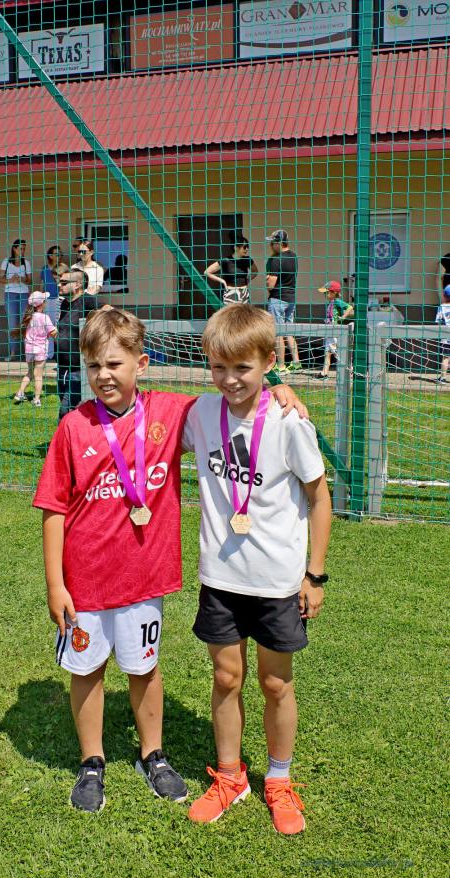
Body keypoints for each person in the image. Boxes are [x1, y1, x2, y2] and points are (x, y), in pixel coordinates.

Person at [33, 307, 309, 814]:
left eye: (114, 364)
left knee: (144, 667)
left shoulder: (171, 413)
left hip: (145, 578)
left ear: (141, 364)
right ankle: (91, 760)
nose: (103, 375)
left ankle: (153, 755)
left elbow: (237, 395)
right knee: (87, 670)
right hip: (86, 582)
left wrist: (279, 389)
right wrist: (56, 584)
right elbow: (53, 509)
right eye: (94, 365)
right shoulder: (72, 427)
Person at [182, 304, 331, 834]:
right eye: (218, 367)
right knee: (226, 677)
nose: (230, 380)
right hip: (221, 578)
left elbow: (319, 498)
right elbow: (146, 417)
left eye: (243, 368)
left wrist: (314, 574)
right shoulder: (201, 413)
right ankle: (230, 777)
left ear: (269, 361)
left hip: (277, 582)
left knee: (274, 683)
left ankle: (279, 780)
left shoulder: (289, 421)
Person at [55, 269, 100, 420]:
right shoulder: (65, 304)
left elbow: (108, 310)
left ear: (77, 284)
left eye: (63, 283)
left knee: (66, 411)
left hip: (78, 370)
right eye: (59, 282)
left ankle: (63, 436)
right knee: (68, 410)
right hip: (62, 368)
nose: (59, 285)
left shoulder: (88, 301)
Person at [265, 229, 301, 374]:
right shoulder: (294, 256)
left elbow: (271, 285)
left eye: (272, 243)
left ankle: (281, 366)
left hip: (278, 298)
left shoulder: (276, 260)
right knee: (289, 331)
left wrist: (268, 280)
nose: (271, 245)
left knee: (278, 332)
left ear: (279, 243)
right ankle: (296, 363)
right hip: (291, 298)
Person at [12, 291, 57, 407]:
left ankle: (20, 393)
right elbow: (53, 333)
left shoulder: (28, 317)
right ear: (42, 304)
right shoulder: (44, 317)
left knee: (30, 373)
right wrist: (59, 328)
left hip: (29, 350)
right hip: (40, 350)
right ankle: (36, 399)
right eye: (45, 301)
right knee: (38, 376)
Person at [0, 239, 33, 360]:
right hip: (10, 294)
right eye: (20, 248)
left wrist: (22, 279)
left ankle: (28, 354)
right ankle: (12, 353)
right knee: (12, 325)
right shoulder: (6, 262)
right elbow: (0, 279)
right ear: (14, 249)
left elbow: (30, 281)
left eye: (24, 249)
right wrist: (11, 280)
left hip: (24, 294)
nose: (22, 251)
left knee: (25, 323)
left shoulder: (26, 263)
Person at [314, 280, 354, 379]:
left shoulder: (337, 301)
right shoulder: (331, 303)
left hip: (335, 332)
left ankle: (350, 371)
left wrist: (343, 316)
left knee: (337, 352)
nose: (325, 295)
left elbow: (349, 307)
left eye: (326, 292)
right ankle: (324, 373)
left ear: (333, 292)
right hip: (330, 331)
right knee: (328, 352)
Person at [204, 236, 258, 304]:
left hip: (244, 293)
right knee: (231, 311)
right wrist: (222, 281)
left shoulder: (247, 260)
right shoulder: (226, 260)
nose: (246, 249)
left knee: (244, 311)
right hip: (230, 293)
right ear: (236, 247)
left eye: (247, 247)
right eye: (244, 247)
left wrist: (247, 280)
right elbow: (207, 272)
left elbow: (255, 271)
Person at [435, 284, 450, 384]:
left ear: (444, 295)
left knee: (445, 357)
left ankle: (443, 378)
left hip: (445, 336)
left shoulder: (442, 307)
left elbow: (438, 321)